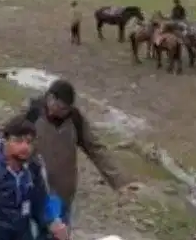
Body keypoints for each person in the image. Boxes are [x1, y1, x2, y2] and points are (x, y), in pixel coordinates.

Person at [25, 79, 128, 225]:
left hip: (62, 193)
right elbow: (9, 138)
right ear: (50, 99)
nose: (64, 112)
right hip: (35, 190)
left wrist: (119, 181)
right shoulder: (33, 114)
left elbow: (95, 148)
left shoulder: (74, 119)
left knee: (58, 232)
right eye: (61, 108)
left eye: (67, 109)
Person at [0, 116, 66, 240]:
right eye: (18, 141)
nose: (25, 147)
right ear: (5, 140)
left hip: (22, 234)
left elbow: (41, 201)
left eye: (29, 142)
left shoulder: (33, 167)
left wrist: (52, 223)